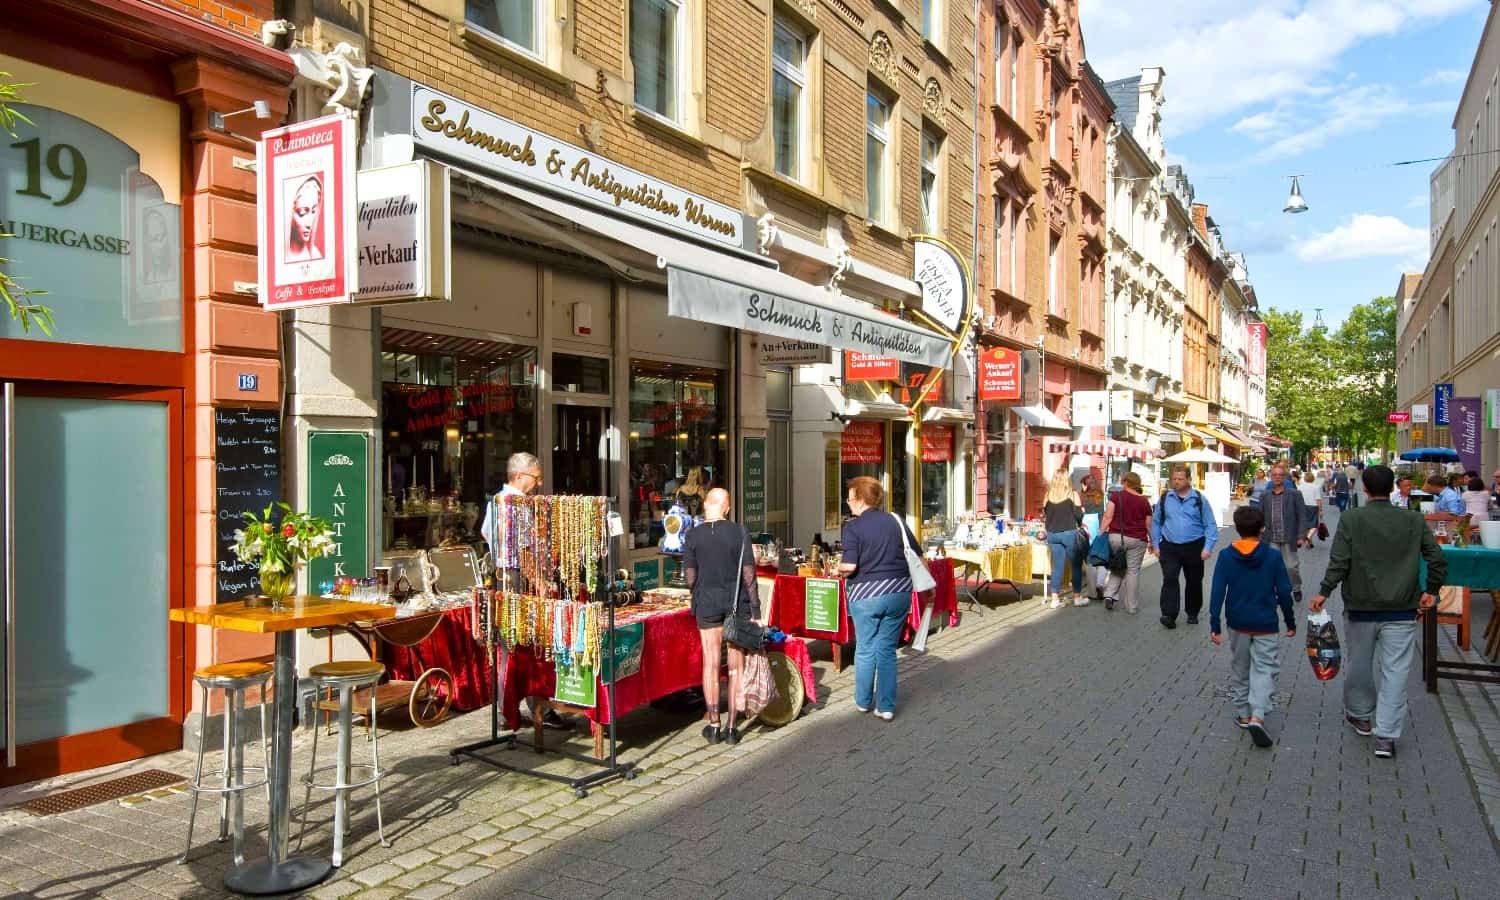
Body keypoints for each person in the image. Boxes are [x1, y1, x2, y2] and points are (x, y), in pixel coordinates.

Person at [1310, 465, 1447, 759]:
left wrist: (1324, 590)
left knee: (1360, 665)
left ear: (1366, 489)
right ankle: (1385, 736)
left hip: (1361, 606)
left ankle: (1360, 714)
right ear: (1394, 487)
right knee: (1396, 671)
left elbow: (1340, 560)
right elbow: (1436, 558)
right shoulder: (1413, 519)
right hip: (1402, 607)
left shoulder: (1351, 519)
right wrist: (1431, 591)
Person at [1208, 505, 1297, 748]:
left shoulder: (1227, 555)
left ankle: (1243, 713)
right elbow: (1285, 592)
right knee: (1265, 668)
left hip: (1237, 622)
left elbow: (1217, 591)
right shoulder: (1272, 556)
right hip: (1266, 622)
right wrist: (1290, 621)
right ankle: (1258, 713)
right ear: (1263, 529)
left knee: (1240, 667)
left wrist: (1215, 624)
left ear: (1236, 528)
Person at [838, 476, 923, 721]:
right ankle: (885, 707)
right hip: (899, 592)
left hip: (866, 595)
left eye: (850, 499)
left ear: (861, 500)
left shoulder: (852, 528)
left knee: (865, 648)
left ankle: (863, 701)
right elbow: (917, 553)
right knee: (886, 649)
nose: (848, 503)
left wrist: (837, 569)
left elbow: (851, 566)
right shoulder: (896, 521)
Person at [681, 488, 760, 745]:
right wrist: (756, 610)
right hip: (736, 605)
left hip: (707, 604)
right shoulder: (739, 532)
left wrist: (698, 591)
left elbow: (690, 578)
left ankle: (713, 725)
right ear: (727, 507)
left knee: (711, 664)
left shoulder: (692, 535)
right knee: (736, 668)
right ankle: (732, 728)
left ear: (706, 505)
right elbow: (749, 575)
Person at [1150, 465, 1219, 629]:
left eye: (1180, 479)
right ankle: (1169, 614)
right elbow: (1156, 521)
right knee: (1170, 579)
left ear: (1188, 479)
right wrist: (1155, 544)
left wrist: (1208, 547)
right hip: (1169, 546)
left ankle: (1192, 612)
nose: (1176, 482)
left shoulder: (1199, 499)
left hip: (1194, 546)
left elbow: (1210, 525)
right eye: (1174, 479)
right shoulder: (1166, 498)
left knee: (1194, 581)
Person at [1100, 471, 1152, 614]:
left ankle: (1109, 595)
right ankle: (1132, 607)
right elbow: (1149, 525)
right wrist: (1153, 542)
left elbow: (1108, 516)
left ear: (1125, 482)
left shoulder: (1116, 497)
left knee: (1118, 566)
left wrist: (1100, 533)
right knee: (1133, 572)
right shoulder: (1144, 501)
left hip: (1117, 537)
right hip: (1137, 539)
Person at [1261, 463, 1313, 604]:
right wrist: (1260, 528)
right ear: (1271, 477)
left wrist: (1302, 536)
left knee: (1291, 567)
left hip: (1289, 537)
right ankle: (1277, 592)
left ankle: (1296, 588)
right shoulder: (1265, 495)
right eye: (1274, 475)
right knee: (1273, 567)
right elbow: (1260, 515)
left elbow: (1302, 516)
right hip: (1271, 538)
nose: (1277, 477)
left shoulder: (1295, 494)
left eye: (1280, 475)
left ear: (1284, 477)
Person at [1041, 469, 1086, 609]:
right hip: (1069, 533)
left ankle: (1055, 599)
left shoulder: (1048, 495)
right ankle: (1077, 597)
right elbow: (1079, 516)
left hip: (1053, 534)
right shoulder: (1073, 495)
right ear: (1067, 479)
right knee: (1075, 566)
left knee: (1057, 567)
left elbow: (1045, 513)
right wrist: (1081, 512)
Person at [1080, 473, 1107, 603]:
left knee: (1089, 559)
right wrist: (1103, 530)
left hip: (1085, 528)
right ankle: (1100, 584)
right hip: (1099, 526)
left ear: (1086, 485)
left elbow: (1078, 514)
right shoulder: (1101, 496)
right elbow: (1104, 513)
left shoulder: (1082, 497)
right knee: (1101, 557)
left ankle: (1092, 592)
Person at [285, 174, 324, 262]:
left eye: (313, 211)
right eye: (302, 213)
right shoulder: (277, 258)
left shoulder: (316, 256)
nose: (309, 223)